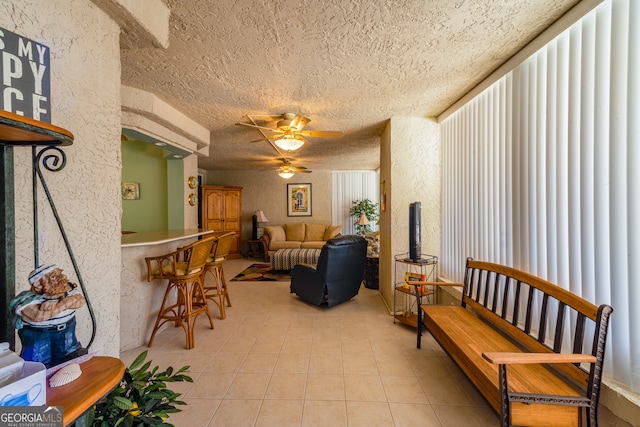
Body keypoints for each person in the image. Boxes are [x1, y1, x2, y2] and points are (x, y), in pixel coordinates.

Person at [10, 264, 86, 367]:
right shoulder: (27, 298)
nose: (62, 279)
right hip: (39, 336)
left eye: (60, 275)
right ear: (38, 284)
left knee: (68, 364)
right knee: (36, 366)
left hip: (66, 332)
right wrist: (65, 303)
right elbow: (39, 316)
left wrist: (59, 303)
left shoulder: (66, 292)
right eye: (54, 277)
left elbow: (80, 300)